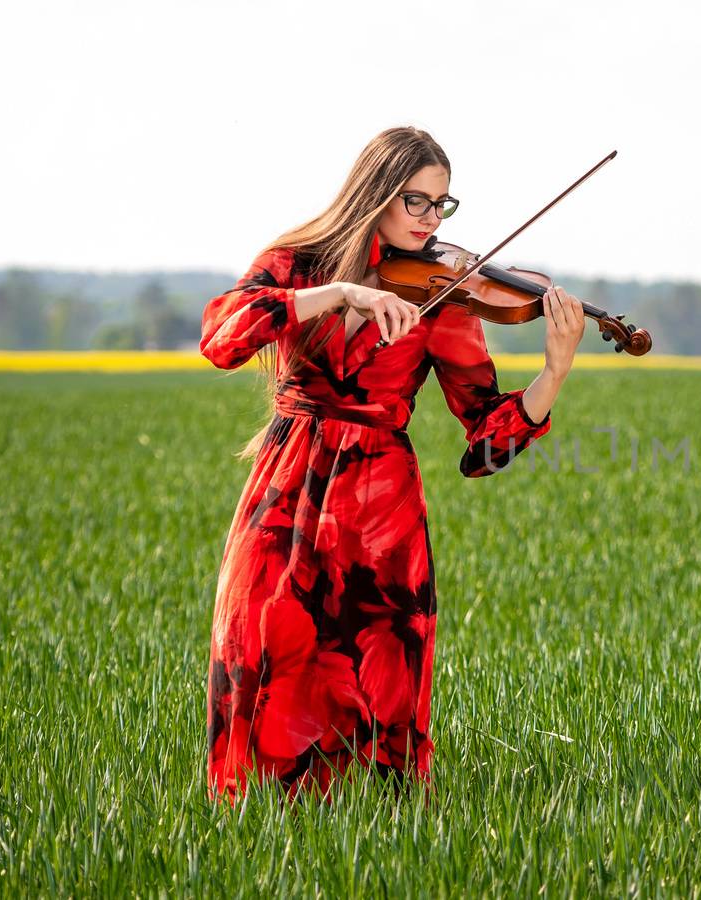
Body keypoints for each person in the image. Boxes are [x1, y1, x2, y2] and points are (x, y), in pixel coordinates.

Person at [199, 126, 585, 804]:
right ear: (374, 194)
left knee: (377, 683)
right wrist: (342, 293)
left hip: (381, 510)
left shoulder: (443, 296)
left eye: (442, 205)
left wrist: (553, 371)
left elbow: (485, 443)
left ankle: (378, 842)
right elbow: (222, 337)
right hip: (289, 487)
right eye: (418, 202)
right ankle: (254, 830)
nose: (433, 221)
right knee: (260, 648)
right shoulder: (297, 263)